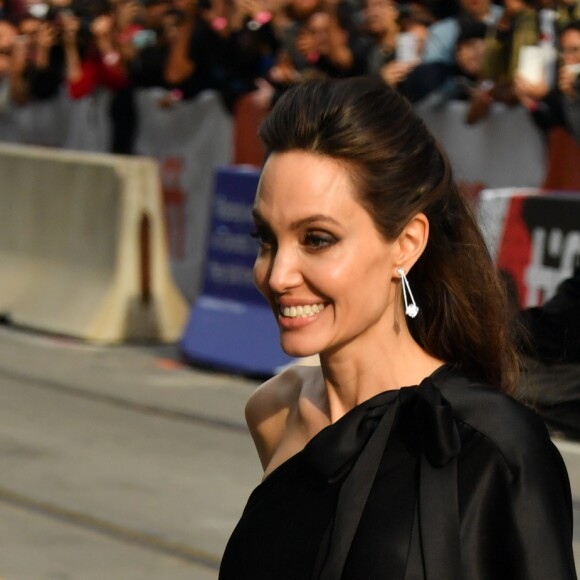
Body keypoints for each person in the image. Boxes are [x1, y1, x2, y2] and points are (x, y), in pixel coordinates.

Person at [218, 77, 577, 579]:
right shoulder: (275, 411)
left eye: (317, 239)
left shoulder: (493, 444)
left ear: (406, 243)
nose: (277, 275)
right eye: (266, 239)